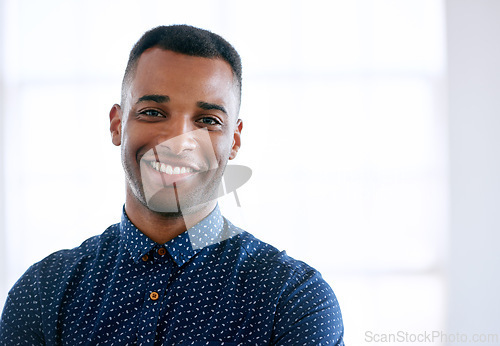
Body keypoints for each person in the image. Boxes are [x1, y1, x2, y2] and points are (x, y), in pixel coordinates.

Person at [0, 25, 344, 345]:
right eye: (153, 112)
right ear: (118, 124)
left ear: (234, 141)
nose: (178, 142)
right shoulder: (43, 292)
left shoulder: (293, 298)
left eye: (208, 121)